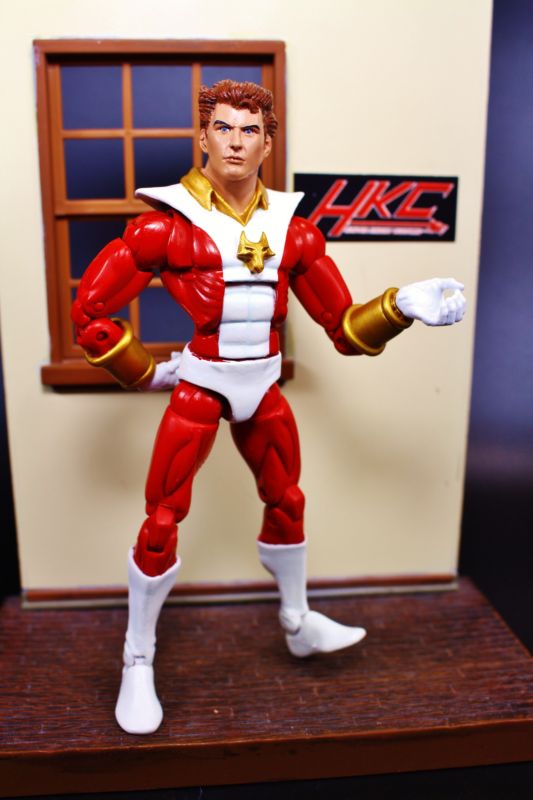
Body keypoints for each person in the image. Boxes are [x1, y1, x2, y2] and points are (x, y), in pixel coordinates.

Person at [71, 80, 466, 735]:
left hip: (263, 385)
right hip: (201, 386)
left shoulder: (295, 232)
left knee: (287, 502)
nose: (235, 141)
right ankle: (137, 657)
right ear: (203, 137)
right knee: (162, 519)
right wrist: (142, 372)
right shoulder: (165, 226)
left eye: (249, 130)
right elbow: (90, 312)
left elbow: (342, 330)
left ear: (267, 143)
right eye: (223, 128)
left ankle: (296, 622)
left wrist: (399, 307)